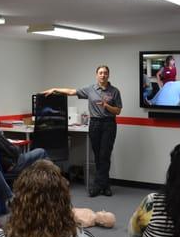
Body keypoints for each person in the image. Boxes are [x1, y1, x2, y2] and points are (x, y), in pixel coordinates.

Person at [42, 65, 122, 197]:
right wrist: (55, 89)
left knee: (104, 155)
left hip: (109, 124)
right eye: (100, 73)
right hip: (95, 124)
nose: (103, 75)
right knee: (97, 155)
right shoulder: (90, 89)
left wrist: (106, 106)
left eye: (105, 73)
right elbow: (72, 91)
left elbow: (118, 111)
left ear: (108, 75)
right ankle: (105, 185)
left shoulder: (114, 91)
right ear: (96, 75)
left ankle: (97, 186)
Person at [0, 105, 48, 174]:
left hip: (1, 164)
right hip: (11, 165)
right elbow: (13, 151)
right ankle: (52, 180)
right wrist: (17, 148)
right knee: (41, 151)